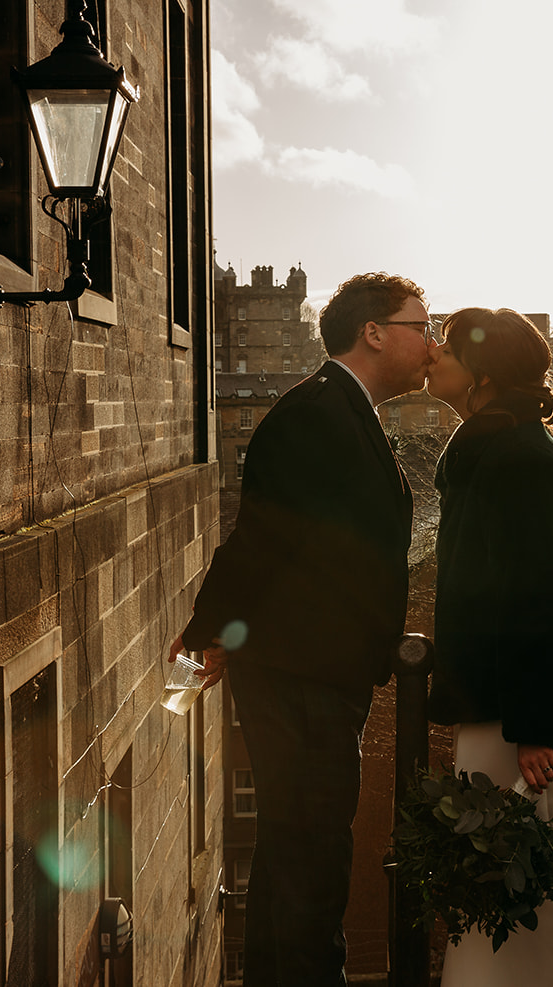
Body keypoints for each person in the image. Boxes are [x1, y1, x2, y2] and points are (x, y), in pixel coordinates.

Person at [167, 272, 433, 986]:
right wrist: (207, 632)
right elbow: (262, 538)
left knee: (294, 851)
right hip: (302, 676)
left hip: (317, 673)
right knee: (312, 855)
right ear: (373, 331)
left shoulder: (345, 410)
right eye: (422, 325)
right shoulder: (316, 412)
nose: (431, 342)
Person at [423, 306, 553, 987]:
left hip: (543, 710)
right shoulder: (500, 447)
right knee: (505, 868)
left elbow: (542, 597)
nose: (432, 353)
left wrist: (540, 727)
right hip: (523, 701)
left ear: (482, 374)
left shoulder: (516, 456)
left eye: (448, 347)